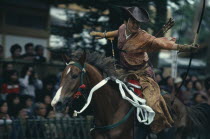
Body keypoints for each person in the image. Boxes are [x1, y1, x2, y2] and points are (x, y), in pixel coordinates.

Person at [90, 6, 199, 134]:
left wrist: (185, 47)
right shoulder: (122, 28)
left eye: (138, 23)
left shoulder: (144, 37)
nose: (136, 25)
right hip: (122, 72)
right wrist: (104, 34)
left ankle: (158, 128)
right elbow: (117, 33)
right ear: (126, 21)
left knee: (152, 103)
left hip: (142, 75)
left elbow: (162, 43)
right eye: (133, 22)